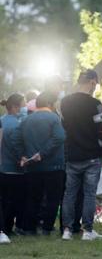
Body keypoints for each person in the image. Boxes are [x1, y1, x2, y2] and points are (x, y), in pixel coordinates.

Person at [60, 69, 102, 241]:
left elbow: (63, 126)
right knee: (89, 194)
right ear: (93, 82)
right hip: (92, 154)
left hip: (72, 154)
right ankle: (87, 231)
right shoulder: (95, 103)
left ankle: (67, 230)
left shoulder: (64, 103)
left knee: (69, 194)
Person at [15, 92, 65, 235]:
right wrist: (42, 154)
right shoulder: (54, 118)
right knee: (52, 198)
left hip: (32, 167)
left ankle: (30, 228)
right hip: (54, 166)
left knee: (33, 197)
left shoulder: (26, 120)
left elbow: (16, 140)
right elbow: (60, 137)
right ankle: (47, 227)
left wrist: (23, 156)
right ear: (50, 104)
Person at [0, 94, 27, 241]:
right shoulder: (17, 124)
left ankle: (3, 227)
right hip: (16, 169)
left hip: (2, 168)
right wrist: (23, 158)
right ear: (16, 107)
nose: (25, 107)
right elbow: (17, 146)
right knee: (15, 201)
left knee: (3, 201)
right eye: (23, 104)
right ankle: (8, 228)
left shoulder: (1, 121)